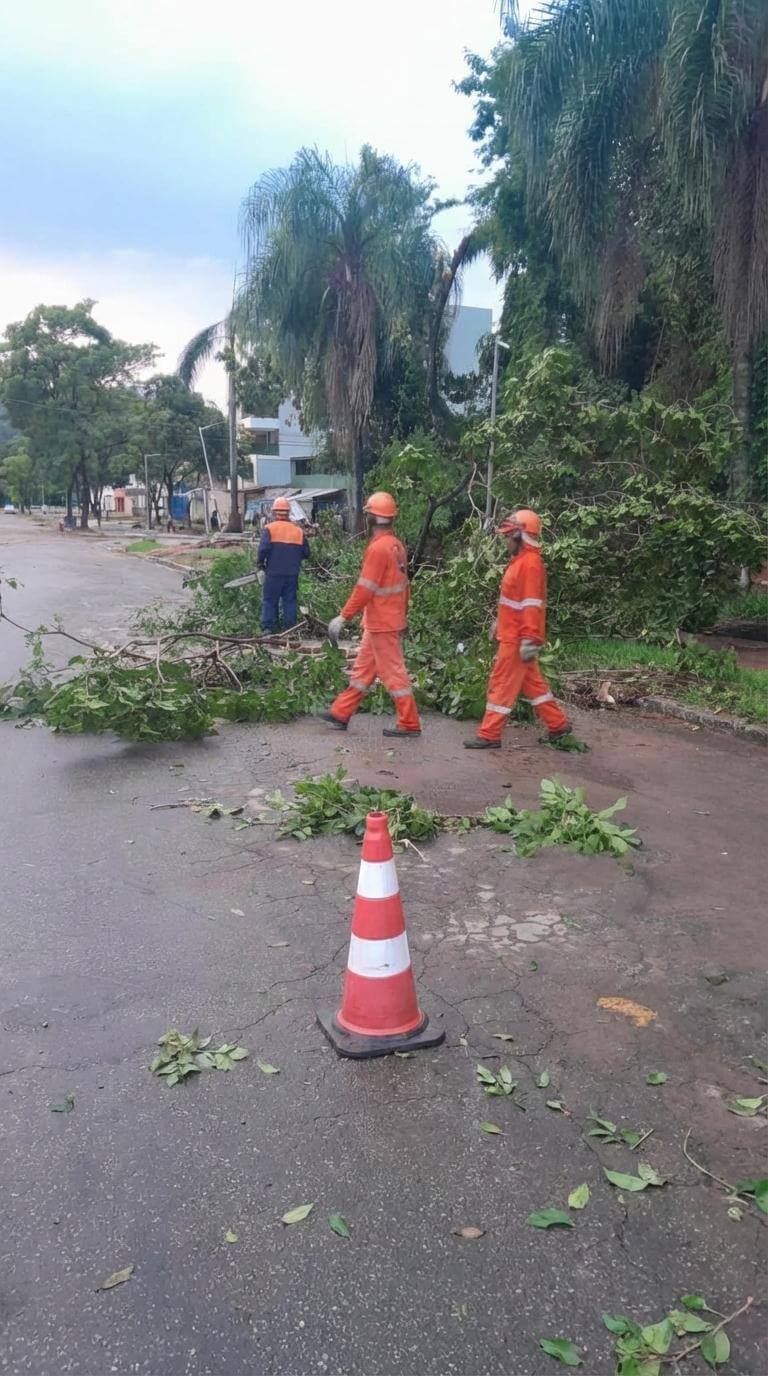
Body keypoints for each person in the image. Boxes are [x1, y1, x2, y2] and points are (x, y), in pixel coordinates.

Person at [465, 508, 572, 750]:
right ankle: (558, 725)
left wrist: (529, 638)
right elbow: (513, 601)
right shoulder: (521, 563)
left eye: (507, 536)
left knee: (501, 684)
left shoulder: (530, 565)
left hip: (517, 638)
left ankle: (489, 734)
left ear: (519, 536)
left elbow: (532, 605)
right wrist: (498, 623)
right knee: (534, 684)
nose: (504, 541)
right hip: (513, 633)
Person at [322, 491, 421, 738]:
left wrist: (343, 616)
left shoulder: (378, 549)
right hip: (385, 620)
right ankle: (341, 712)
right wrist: (403, 617)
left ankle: (409, 723)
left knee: (393, 674)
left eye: (367, 514)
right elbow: (404, 586)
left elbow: (365, 588)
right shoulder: (396, 546)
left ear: (372, 518)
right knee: (363, 671)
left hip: (382, 622)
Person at [257, 496, 310, 633]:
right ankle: (289, 630)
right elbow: (306, 553)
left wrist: (260, 565)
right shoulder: (298, 531)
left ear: (274, 512)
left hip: (273, 573)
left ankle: (268, 629)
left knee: (270, 601)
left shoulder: (269, 529)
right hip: (292, 573)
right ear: (289, 512)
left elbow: (263, 549)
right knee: (289, 601)